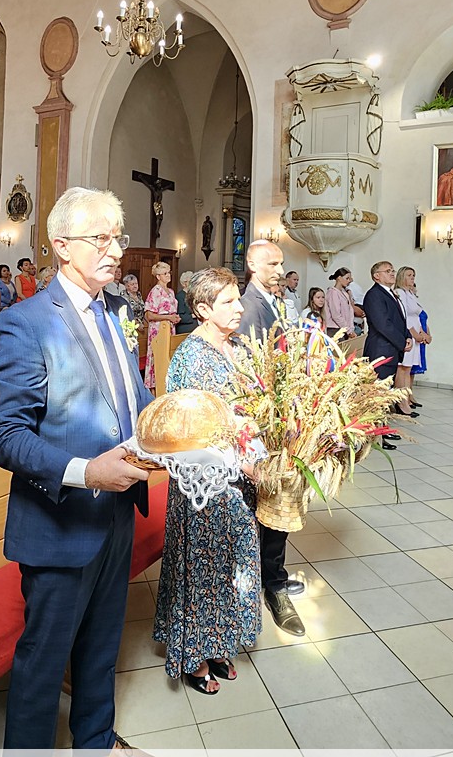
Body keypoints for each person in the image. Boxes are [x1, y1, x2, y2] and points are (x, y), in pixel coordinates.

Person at [0, 187, 151, 752]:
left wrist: (182, 429)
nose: (115, 250)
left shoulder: (115, 312)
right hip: (61, 520)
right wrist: (85, 472)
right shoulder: (25, 322)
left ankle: (95, 741)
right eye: (100, 238)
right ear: (61, 245)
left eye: (118, 238)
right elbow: (5, 436)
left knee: (102, 645)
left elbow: (131, 399)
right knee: (44, 659)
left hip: (117, 511)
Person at [153, 267, 262, 695]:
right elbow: (192, 433)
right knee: (202, 565)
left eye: (238, 299)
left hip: (238, 475)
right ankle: (194, 656)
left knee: (230, 562)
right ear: (202, 309)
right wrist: (242, 462)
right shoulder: (193, 356)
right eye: (228, 302)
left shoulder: (233, 347)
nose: (239, 308)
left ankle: (218, 643)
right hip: (205, 482)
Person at [236, 239, 306, 637]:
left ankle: (272, 575)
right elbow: (253, 370)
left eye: (281, 263)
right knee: (267, 501)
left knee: (278, 500)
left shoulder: (274, 301)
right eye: (272, 263)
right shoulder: (249, 307)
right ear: (252, 264)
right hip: (262, 420)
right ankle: (269, 583)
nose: (280, 270)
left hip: (281, 414)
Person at [362, 261, 408, 451]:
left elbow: (399, 320)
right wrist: (401, 342)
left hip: (390, 348)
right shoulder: (374, 295)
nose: (392, 273)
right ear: (376, 276)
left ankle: (382, 430)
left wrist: (407, 336)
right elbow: (383, 324)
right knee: (377, 394)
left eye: (392, 270)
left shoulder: (390, 293)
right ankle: (375, 436)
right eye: (387, 271)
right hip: (380, 350)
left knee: (385, 394)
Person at [394, 266, 428, 415]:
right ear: (402, 277)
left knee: (408, 369)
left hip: (415, 333)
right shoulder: (400, 293)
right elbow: (404, 316)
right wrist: (414, 334)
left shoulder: (410, 293)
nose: (412, 277)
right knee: (402, 368)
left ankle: (406, 398)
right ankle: (400, 401)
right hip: (407, 333)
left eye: (413, 275)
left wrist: (423, 333)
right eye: (409, 275)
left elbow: (417, 315)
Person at [143, 260, 179, 388]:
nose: (168, 275)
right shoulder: (155, 291)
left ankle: (166, 385)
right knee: (157, 357)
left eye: (169, 272)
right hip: (158, 329)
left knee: (167, 356)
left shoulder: (171, 291)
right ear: (158, 276)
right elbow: (149, 315)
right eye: (165, 273)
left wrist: (175, 318)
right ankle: (154, 387)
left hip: (170, 328)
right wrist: (168, 317)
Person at [325, 267, 357, 337]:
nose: (349, 281)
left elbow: (350, 311)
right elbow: (336, 315)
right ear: (339, 278)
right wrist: (349, 331)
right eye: (347, 278)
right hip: (335, 329)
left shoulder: (345, 293)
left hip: (345, 329)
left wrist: (351, 329)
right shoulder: (333, 292)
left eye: (350, 278)